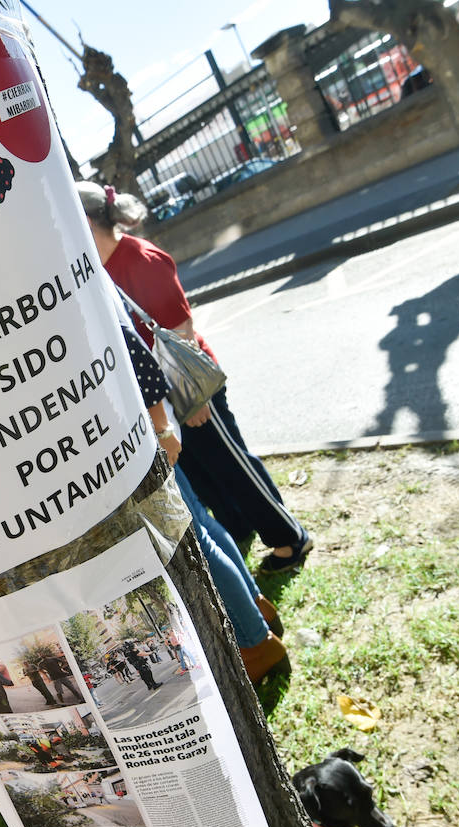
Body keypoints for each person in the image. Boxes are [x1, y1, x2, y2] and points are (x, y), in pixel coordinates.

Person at [78, 181, 313, 576]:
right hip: (167, 398)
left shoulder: (141, 258)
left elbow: (182, 328)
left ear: (86, 220)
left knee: (232, 465)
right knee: (207, 475)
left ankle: (290, 538)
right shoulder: (101, 267)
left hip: (190, 390)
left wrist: (194, 399)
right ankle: (239, 530)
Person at [112, 284, 287, 681]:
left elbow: (133, 353)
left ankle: (257, 643)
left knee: (195, 537)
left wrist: (159, 428)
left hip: (148, 434)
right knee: (201, 527)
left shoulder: (72, 272)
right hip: (152, 430)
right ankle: (256, 610)